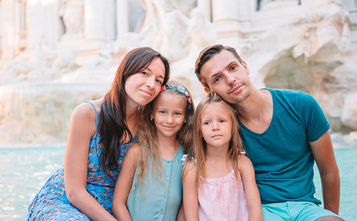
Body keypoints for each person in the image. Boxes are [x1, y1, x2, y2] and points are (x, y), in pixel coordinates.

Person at [194, 44, 343, 221]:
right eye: (217, 79)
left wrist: (330, 215)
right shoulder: (220, 130)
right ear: (210, 91)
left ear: (245, 67)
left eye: (233, 68)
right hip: (260, 211)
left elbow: (328, 171)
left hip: (306, 208)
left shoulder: (302, 105)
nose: (231, 79)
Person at [27, 47, 170, 221]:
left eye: (158, 80)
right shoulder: (87, 113)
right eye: (144, 73)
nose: (151, 83)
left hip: (114, 206)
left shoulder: (150, 123)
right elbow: (74, 192)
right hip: (66, 203)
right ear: (125, 72)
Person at [112, 81, 194, 221]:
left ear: (186, 117)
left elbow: (184, 207)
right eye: (162, 112)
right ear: (152, 113)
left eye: (177, 114)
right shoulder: (137, 152)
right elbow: (118, 204)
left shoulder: (187, 157)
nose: (169, 120)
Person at [182, 92, 262, 221]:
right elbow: (191, 217)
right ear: (199, 130)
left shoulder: (242, 163)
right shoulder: (192, 168)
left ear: (233, 125)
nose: (215, 127)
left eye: (222, 121)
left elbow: (255, 209)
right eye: (207, 123)